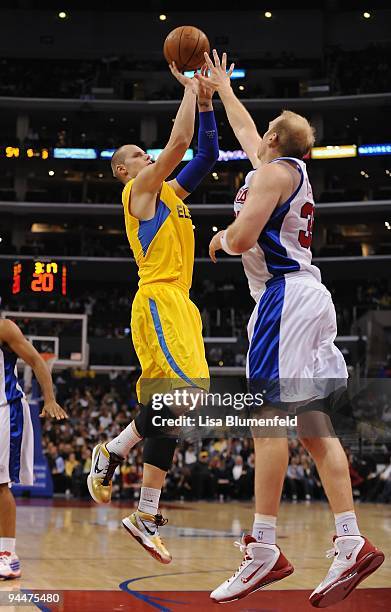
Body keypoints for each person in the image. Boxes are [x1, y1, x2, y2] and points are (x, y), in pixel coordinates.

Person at [197, 50, 385, 607]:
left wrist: (220, 239)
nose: (258, 138)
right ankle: (350, 538)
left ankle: (263, 549)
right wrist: (224, 88)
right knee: (312, 425)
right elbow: (244, 127)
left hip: (284, 300)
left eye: (266, 134)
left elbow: (242, 235)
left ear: (276, 142)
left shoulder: (271, 174)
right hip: (311, 297)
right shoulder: (283, 168)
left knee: (267, 424)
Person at [87, 63, 218, 564]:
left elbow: (204, 153)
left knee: (176, 409)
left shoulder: (169, 194)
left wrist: (206, 103)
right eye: (139, 155)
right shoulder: (138, 193)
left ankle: (137, 495)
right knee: (179, 397)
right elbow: (181, 142)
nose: (148, 157)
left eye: (148, 153)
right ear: (124, 170)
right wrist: (189, 88)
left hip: (182, 305)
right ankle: (117, 459)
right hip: (159, 300)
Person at [0, 317, 67, 580]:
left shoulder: (4, 327)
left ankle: (8, 555)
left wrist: (49, 399)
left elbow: (38, 361)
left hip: (5, 411)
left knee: (0, 484)